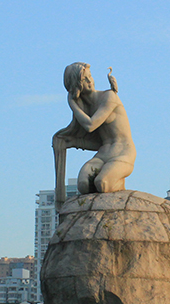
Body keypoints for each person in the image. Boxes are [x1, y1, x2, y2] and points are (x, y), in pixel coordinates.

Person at [52, 62, 136, 211]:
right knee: (84, 184)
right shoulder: (84, 108)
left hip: (123, 153)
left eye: (90, 76)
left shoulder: (108, 97)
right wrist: (73, 142)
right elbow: (98, 142)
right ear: (76, 85)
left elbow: (91, 125)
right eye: (85, 79)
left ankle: (118, 183)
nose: (90, 81)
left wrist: (72, 104)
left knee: (102, 183)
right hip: (103, 154)